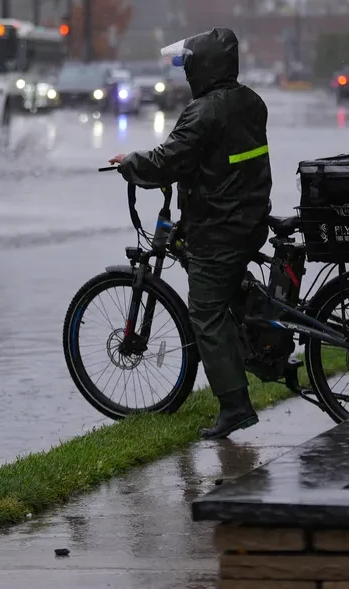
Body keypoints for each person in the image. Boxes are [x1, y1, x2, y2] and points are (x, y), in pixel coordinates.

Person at [107, 27, 272, 439]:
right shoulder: (251, 101)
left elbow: (170, 160)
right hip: (248, 217)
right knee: (229, 292)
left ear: (205, 67)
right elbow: (216, 158)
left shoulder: (204, 111)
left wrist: (130, 163)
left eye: (189, 65)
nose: (186, 73)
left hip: (220, 227)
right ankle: (261, 347)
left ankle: (235, 407)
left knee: (205, 312)